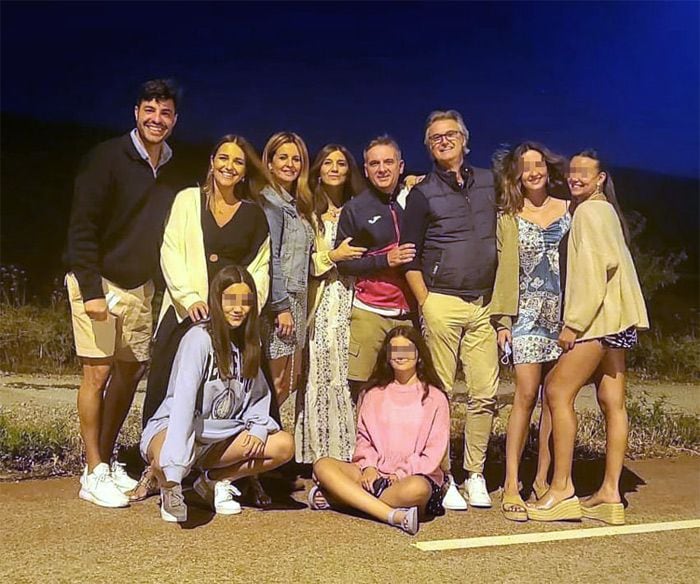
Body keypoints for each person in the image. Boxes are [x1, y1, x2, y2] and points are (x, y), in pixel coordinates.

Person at [130, 135, 272, 501]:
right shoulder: (187, 200)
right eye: (223, 158)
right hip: (186, 313)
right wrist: (190, 297)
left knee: (239, 391)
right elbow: (171, 251)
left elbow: (260, 268)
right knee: (167, 391)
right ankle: (157, 471)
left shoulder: (253, 214)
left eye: (238, 161)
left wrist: (244, 308)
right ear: (212, 161)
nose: (229, 166)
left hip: (234, 320)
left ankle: (230, 473)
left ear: (245, 171)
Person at [65, 79, 185, 507]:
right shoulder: (107, 158)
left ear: (174, 119)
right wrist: (91, 291)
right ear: (136, 112)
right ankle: (93, 470)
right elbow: (82, 228)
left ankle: (106, 457)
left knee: (130, 372)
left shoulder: (172, 167)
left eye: (165, 113)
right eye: (149, 110)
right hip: (98, 281)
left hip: (139, 286)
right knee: (97, 374)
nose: (157, 119)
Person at [528, 150, 649, 524]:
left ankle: (561, 489)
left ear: (601, 178)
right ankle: (610, 494)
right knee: (613, 402)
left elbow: (595, 272)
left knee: (556, 391)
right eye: (571, 171)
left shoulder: (589, 213)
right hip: (620, 319)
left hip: (597, 319)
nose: (575, 177)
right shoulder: (607, 211)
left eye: (584, 172)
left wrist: (574, 324)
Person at [400, 110, 503, 510]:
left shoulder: (490, 182)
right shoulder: (423, 193)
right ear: (428, 147)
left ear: (465, 140)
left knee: (484, 394)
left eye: (450, 135)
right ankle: (442, 475)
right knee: (440, 393)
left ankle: (474, 473)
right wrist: (426, 302)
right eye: (435, 138)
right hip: (441, 300)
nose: (444, 141)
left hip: (484, 303)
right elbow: (409, 255)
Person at [140, 266, 295, 523]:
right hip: (179, 428)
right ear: (217, 300)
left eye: (245, 301)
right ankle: (170, 487)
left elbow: (258, 398)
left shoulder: (250, 344)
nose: (238, 308)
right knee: (166, 455)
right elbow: (183, 402)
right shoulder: (198, 338)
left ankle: (213, 481)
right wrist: (174, 467)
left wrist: (258, 427)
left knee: (283, 445)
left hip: (220, 437)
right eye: (230, 300)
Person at [490, 142, 571, 521]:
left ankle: (542, 480)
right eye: (526, 167)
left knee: (555, 399)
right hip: (525, 315)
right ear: (517, 175)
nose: (534, 172)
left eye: (539, 164)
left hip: (564, 318)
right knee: (524, 395)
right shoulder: (508, 216)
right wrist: (503, 322)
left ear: (548, 169)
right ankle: (511, 484)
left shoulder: (570, 209)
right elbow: (503, 271)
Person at [311, 326, 449, 535]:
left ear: (419, 355)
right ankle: (392, 515)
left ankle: (342, 498)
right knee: (323, 465)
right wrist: (369, 467)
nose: (400, 356)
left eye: (407, 349)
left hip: (412, 477)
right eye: (394, 350)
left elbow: (433, 453)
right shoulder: (372, 393)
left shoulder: (436, 398)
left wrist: (400, 474)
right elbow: (364, 439)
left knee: (417, 489)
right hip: (372, 474)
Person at [295, 144, 366, 463]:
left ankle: (351, 454)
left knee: (350, 376)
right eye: (328, 163)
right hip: (323, 302)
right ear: (318, 170)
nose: (335, 168)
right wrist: (333, 256)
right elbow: (301, 264)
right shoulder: (307, 213)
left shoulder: (359, 208)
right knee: (321, 375)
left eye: (341, 163)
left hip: (355, 300)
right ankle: (318, 456)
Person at [334, 136, 417, 397]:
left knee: (405, 389)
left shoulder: (414, 200)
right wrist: (385, 260)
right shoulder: (356, 209)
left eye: (388, 162)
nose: (382, 169)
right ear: (366, 170)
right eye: (374, 163)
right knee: (364, 389)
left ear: (400, 166)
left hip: (410, 315)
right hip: (370, 314)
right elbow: (345, 265)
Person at [260, 132, 315, 406]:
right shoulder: (271, 203)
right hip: (281, 300)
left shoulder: (295, 203)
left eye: (296, 159)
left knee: (291, 379)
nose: (290, 164)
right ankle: (256, 429)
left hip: (297, 299)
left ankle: (264, 427)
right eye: (283, 157)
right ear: (269, 163)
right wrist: (281, 307)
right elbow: (272, 258)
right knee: (276, 381)